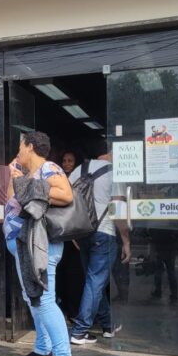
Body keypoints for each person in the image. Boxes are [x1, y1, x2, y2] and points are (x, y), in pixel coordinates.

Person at [4, 131, 76, 356]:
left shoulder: (49, 168)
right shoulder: (25, 172)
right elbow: (12, 199)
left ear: (30, 147)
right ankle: (42, 348)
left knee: (44, 298)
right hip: (24, 244)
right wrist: (16, 177)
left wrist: (28, 185)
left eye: (20, 147)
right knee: (32, 296)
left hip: (40, 244)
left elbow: (66, 194)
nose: (18, 152)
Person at [68, 142, 131, 345]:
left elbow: (67, 204)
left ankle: (107, 325)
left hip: (82, 232)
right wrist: (126, 241)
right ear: (112, 155)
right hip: (104, 232)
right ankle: (80, 331)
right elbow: (118, 210)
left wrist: (73, 235)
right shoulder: (114, 174)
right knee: (96, 281)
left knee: (93, 281)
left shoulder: (77, 171)